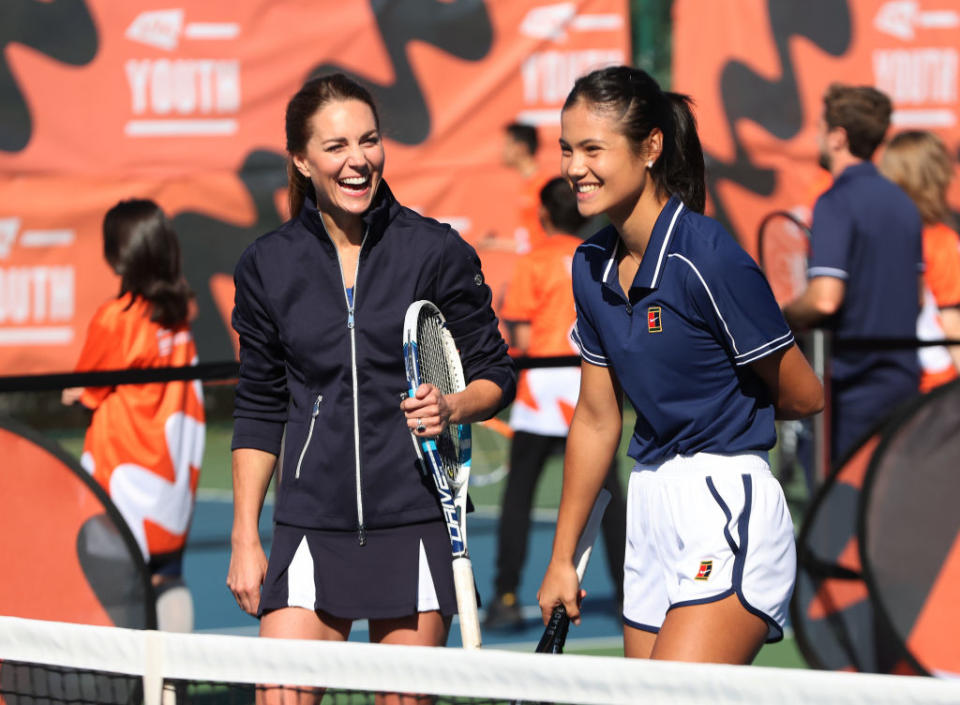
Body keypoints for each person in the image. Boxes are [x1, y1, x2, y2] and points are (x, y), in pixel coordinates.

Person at [226, 73, 515, 669]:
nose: (358, 161)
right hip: (308, 524)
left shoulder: (435, 250)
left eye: (369, 140)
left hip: (414, 517)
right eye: (336, 147)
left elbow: (494, 373)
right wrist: (244, 535)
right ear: (302, 161)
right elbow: (259, 405)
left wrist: (452, 407)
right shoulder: (266, 265)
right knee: (278, 693)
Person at [536, 66, 823, 664]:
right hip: (648, 504)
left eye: (593, 149)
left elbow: (803, 394)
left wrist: (725, 413)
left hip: (724, 501)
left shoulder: (709, 258)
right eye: (567, 149)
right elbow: (594, 420)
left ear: (649, 148)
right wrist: (562, 559)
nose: (574, 168)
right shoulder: (588, 265)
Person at [486, 177, 626, 630]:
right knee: (607, 499)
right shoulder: (602, 258)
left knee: (519, 499)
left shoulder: (534, 262)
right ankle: (630, 594)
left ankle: (505, 596)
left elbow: (522, 336)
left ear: (544, 214)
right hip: (591, 387)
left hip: (542, 391)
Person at [62, 198, 206, 633]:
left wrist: (72, 395)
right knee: (168, 576)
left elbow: (88, 390)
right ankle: (169, 691)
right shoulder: (178, 315)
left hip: (122, 484)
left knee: (120, 593)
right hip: (170, 486)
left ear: (117, 253)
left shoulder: (115, 318)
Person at [783, 84, 923, 463]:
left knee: (837, 512)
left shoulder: (835, 201)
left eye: (819, 127)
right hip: (904, 382)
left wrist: (783, 316)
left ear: (839, 137)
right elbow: (919, 295)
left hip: (852, 386)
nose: (816, 137)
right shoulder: (904, 204)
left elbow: (826, 297)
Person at [880, 130, 960, 392]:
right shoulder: (940, 240)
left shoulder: (876, 235)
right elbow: (951, 322)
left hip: (882, 373)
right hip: (934, 382)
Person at [480, 123, 551, 254]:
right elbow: (529, 243)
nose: (502, 151)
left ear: (521, 148)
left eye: (507, 144)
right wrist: (495, 244)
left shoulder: (543, 187)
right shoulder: (528, 184)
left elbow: (548, 240)